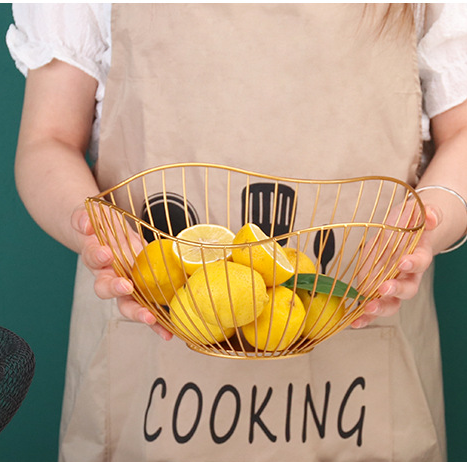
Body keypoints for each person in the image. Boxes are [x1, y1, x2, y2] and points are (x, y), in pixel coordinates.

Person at [6, 4, 467, 461]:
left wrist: (425, 226)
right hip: (143, 361)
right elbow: (49, 139)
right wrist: (96, 233)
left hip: (366, 366)